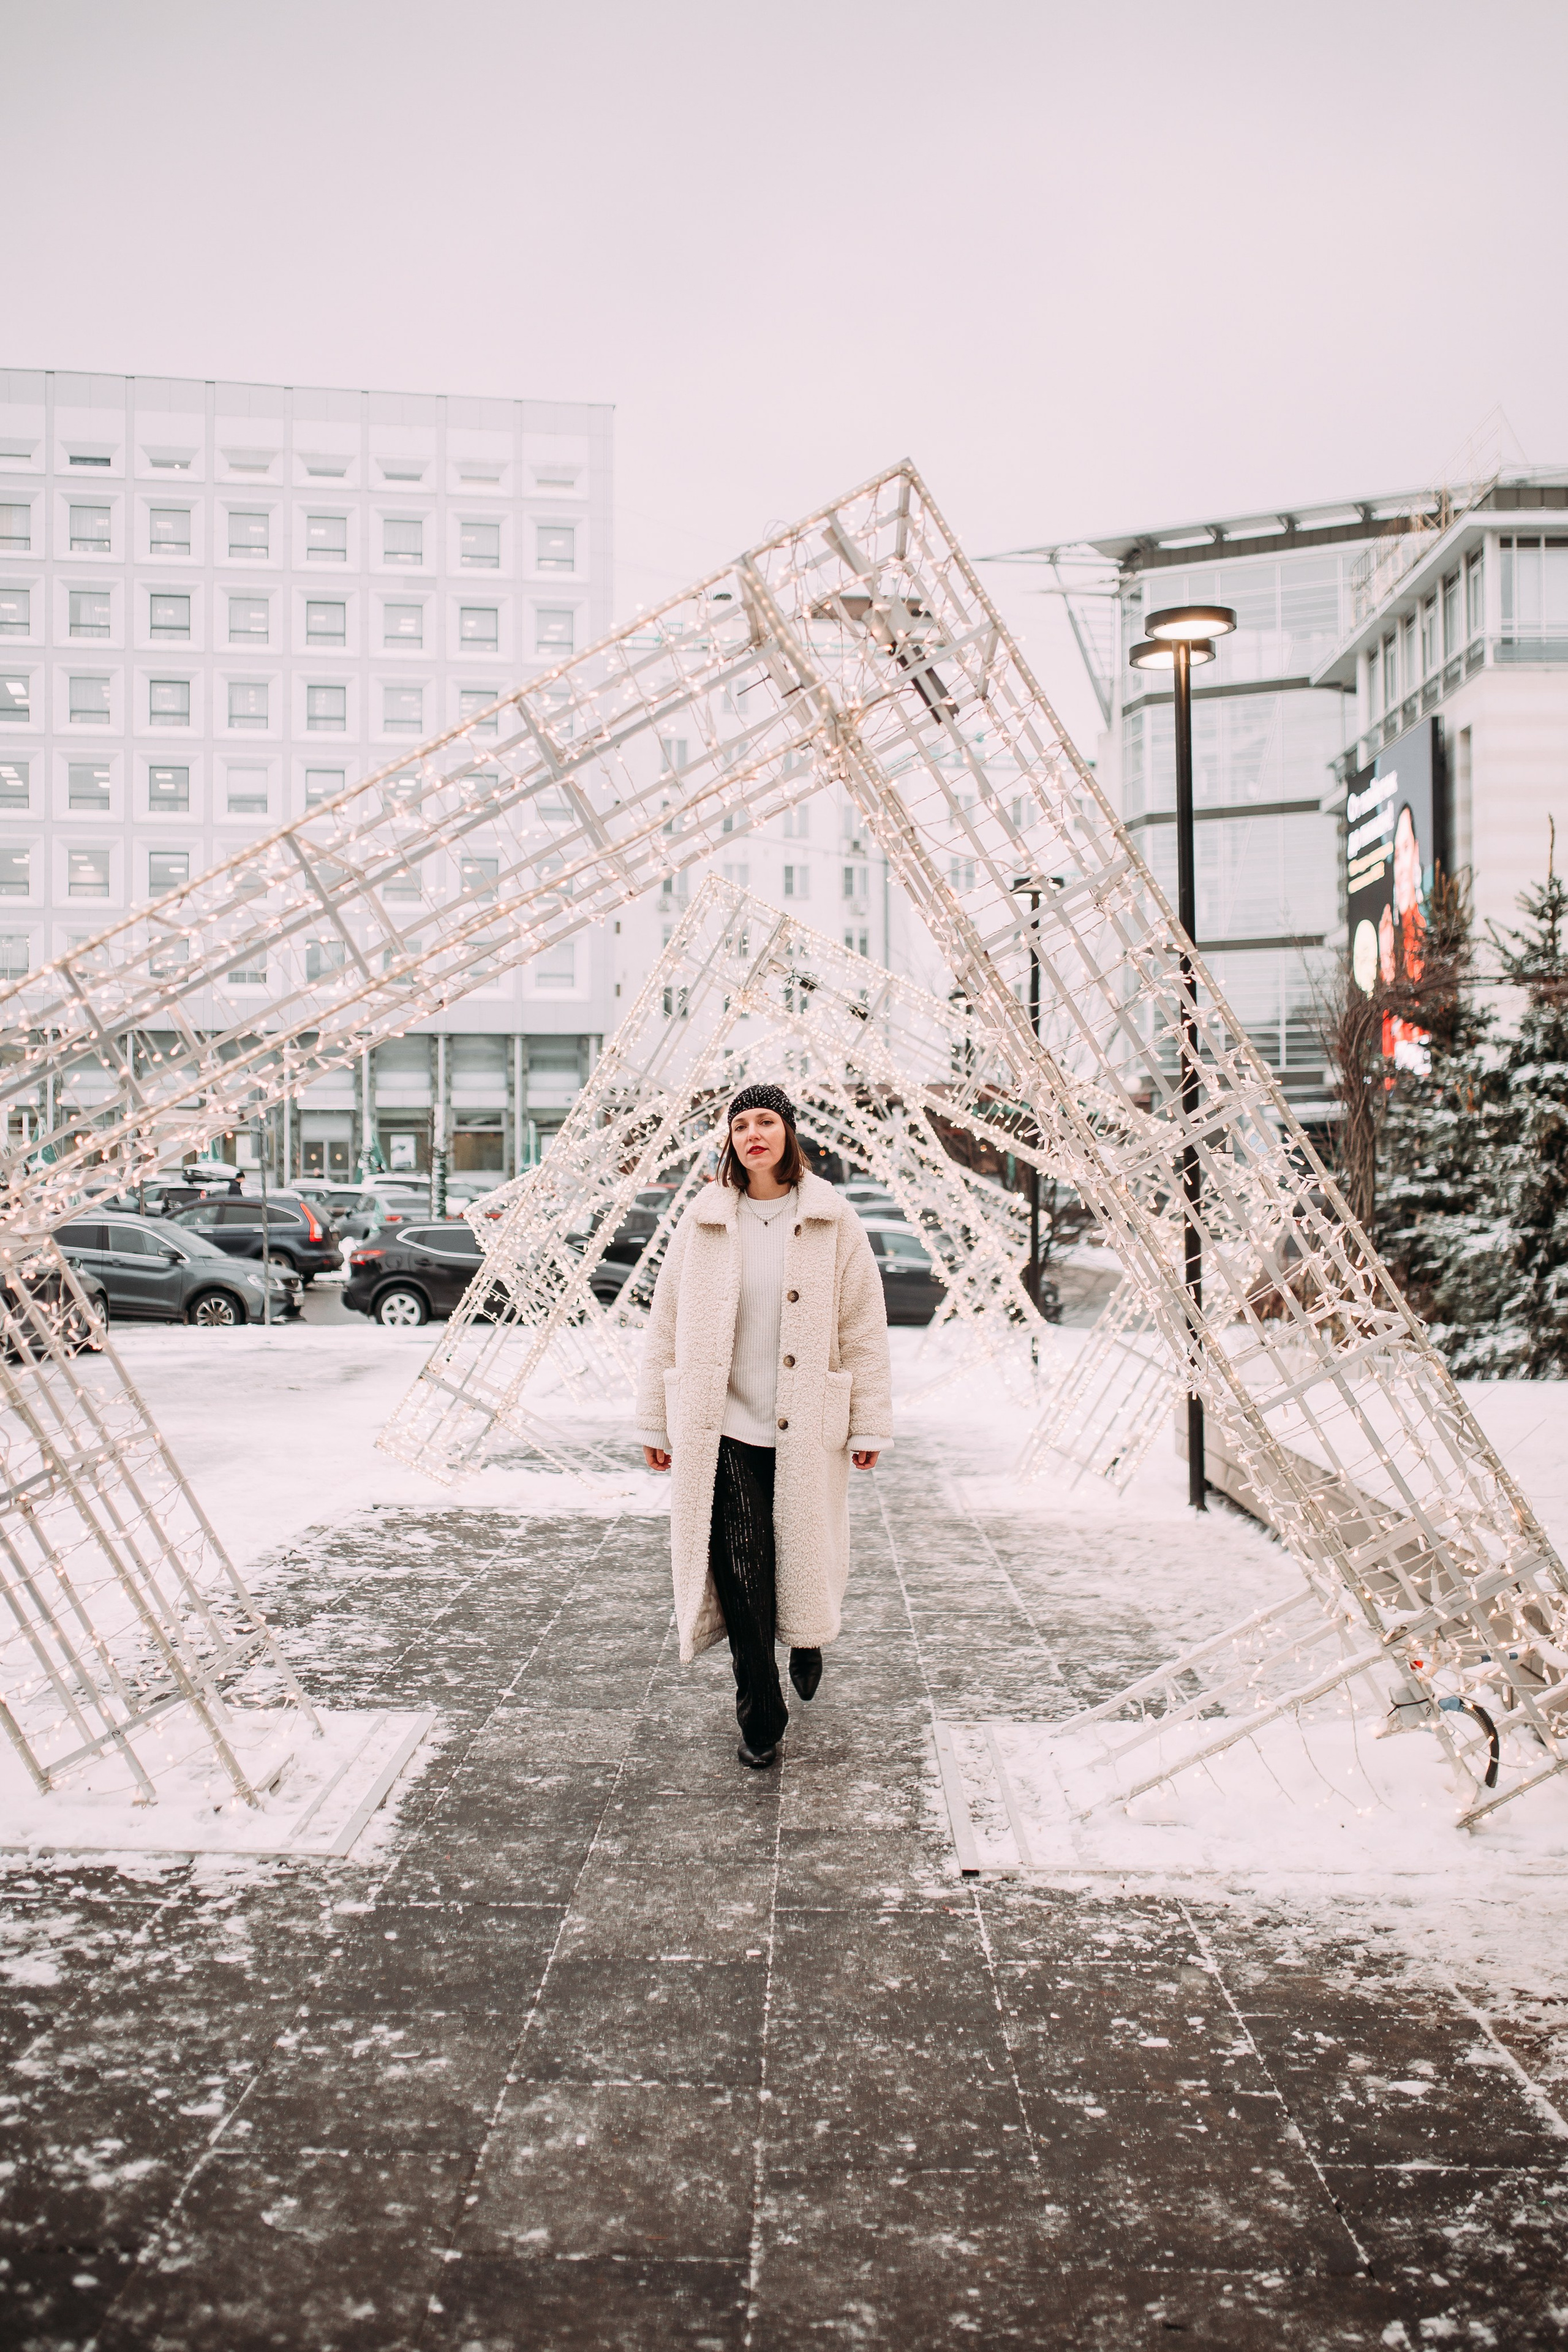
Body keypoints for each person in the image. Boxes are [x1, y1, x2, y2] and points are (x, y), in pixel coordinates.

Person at [635, 1084, 894, 1770]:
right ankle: (758, 1704)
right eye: (741, 1124)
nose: (753, 1133)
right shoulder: (705, 1220)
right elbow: (664, 1324)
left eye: (766, 1121)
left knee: (799, 1547)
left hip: (806, 1422)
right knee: (741, 1564)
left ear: (789, 1133)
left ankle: (807, 1634)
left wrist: (869, 1422)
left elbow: (863, 1328)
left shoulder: (834, 1220)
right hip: (720, 1424)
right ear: (729, 1140)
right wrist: (655, 1423)